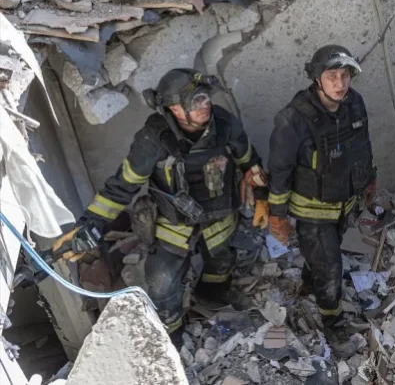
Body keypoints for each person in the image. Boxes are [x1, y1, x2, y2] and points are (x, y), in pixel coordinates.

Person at [71, 68, 267, 342]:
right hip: (173, 224)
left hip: (219, 217)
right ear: (174, 108)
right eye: (196, 102)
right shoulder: (154, 138)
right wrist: (93, 221)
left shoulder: (224, 124)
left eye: (206, 99)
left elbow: (249, 160)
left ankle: (210, 295)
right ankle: (172, 335)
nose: (205, 106)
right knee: (161, 282)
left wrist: (263, 199)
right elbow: (123, 185)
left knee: (221, 263)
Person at [267, 45, 376, 330]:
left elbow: (362, 144)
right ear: (317, 79)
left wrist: (369, 178)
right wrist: (277, 215)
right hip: (312, 211)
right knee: (330, 267)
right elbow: (279, 171)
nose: (340, 84)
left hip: (343, 203)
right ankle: (333, 324)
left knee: (325, 254)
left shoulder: (354, 103)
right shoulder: (293, 119)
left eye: (345, 75)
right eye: (332, 77)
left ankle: (307, 284)